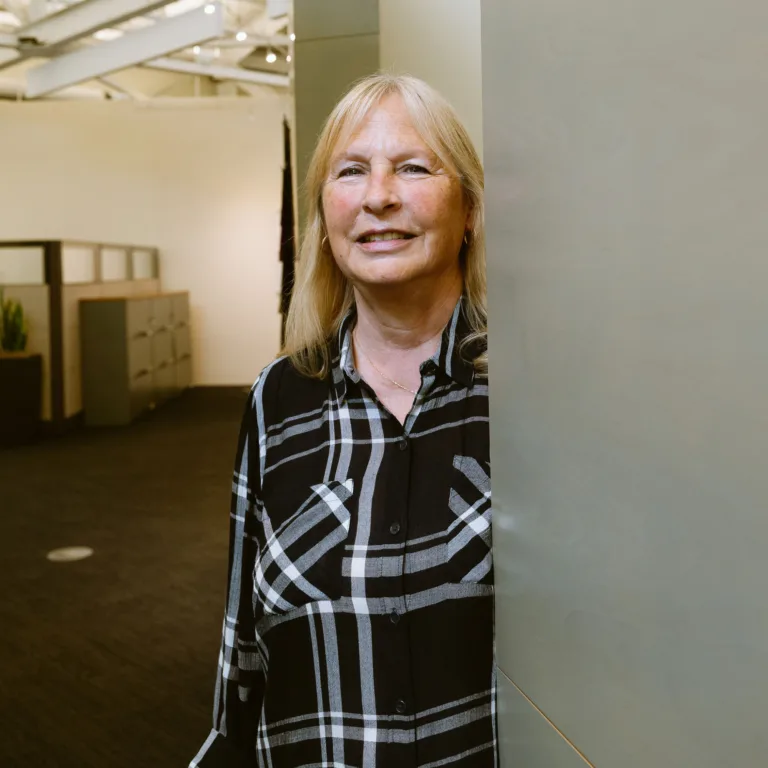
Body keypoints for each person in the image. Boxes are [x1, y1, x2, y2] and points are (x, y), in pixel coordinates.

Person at [191, 72, 495, 768]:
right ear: (326, 216)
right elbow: (244, 644)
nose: (378, 197)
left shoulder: (529, 389)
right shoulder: (279, 396)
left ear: (470, 208)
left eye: (413, 168)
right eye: (351, 172)